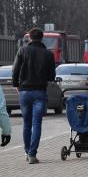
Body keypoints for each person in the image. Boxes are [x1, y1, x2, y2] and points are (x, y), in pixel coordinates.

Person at [12, 27, 56, 164]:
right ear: (41, 38)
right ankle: (32, 154)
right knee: (37, 123)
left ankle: (27, 151)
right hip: (39, 92)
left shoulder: (22, 50)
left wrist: (16, 85)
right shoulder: (48, 54)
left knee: (26, 123)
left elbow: (15, 70)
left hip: (24, 91)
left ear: (29, 38)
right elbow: (51, 76)